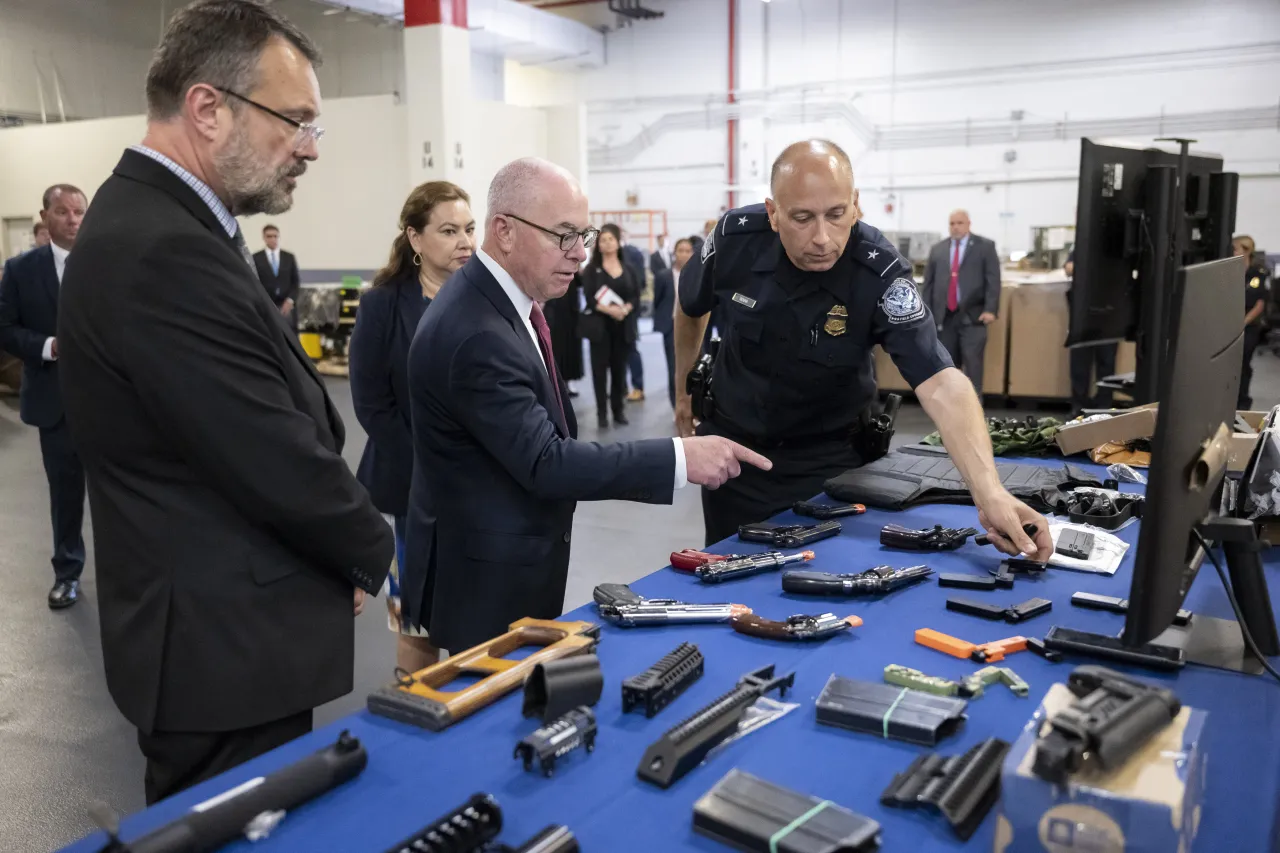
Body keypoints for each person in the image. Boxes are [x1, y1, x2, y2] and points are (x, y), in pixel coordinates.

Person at [56, 0, 393, 805]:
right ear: (208, 109)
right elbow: (266, 447)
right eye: (296, 121)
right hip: (218, 651)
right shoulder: (161, 246)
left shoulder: (169, 222)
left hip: (228, 634)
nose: (308, 148)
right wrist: (371, 547)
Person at [402, 156, 771, 653]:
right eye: (562, 236)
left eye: (584, 235)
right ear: (505, 231)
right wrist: (683, 457)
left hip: (503, 562)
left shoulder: (500, 305)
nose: (579, 253)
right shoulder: (476, 331)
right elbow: (546, 461)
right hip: (485, 584)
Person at [674, 139, 1052, 561]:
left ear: (855, 204)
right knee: (727, 583)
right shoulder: (733, 240)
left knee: (834, 587)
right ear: (773, 213)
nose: (822, 238)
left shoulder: (879, 271)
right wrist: (682, 391)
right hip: (734, 461)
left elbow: (942, 382)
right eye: (802, 218)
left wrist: (990, 492)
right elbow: (689, 308)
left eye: (836, 215)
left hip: (832, 467)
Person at [349, 181, 474, 674]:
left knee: (472, 612)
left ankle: (469, 703)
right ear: (416, 239)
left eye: (469, 228)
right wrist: (428, 466)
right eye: (448, 230)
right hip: (411, 487)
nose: (465, 241)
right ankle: (414, 702)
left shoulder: (486, 299)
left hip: (479, 487)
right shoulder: (383, 304)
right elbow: (372, 403)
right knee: (414, 616)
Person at [0, 184, 89, 610]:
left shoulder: (106, 261)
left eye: (79, 212)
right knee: (66, 494)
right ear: (45, 216)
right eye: (63, 211)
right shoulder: (20, 270)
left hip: (111, 401)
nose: (73, 219)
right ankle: (67, 574)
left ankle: (133, 580)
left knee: (122, 495)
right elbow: (4, 329)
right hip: (56, 404)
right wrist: (49, 346)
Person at [921, 210, 1002, 390]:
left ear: (968, 224)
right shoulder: (938, 249)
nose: (955, 227)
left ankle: (974, 407)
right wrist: (926, 314)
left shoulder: (984, 247)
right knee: (947, 365)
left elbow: (993, 280)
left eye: (959, 223)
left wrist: (991, 309)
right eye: (952, 223)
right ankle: (951, 406)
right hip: (945, 318)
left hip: (973, 316)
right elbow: (928, 284)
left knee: (973, 363)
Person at [581, 223, 641, 428]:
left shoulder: (628, 269)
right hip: (600, 329)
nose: (606, 243)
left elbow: (635, 295)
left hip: (622, 328)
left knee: (619, 371)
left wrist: (626, 308)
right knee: (599, 373)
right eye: (602, 240)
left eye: (610, 239)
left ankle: (618, 410)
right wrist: (611, 311)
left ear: (618, 242)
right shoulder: (591, 270)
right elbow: (589, 298)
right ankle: (601, 414)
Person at [1064, 249, 1116, 414]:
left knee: (1106, 363)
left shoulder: (1116, 252)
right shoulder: (1084, 245)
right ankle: (1079, 404)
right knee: (1079, 363)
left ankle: (1103, 405)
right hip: (1082, 315)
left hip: (1110, 313)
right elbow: (1069, 268)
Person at [652, 237, 692, 408]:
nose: (683, 254)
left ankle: (692, 405)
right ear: (674, 253)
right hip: (671, 325)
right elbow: (658, 300)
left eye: (687, 251)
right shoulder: (663, 276)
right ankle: (676, 405)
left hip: (693, 326)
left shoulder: (698, 274)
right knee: (673, 368)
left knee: (692, 366)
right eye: (680, 250)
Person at [1236, 234, 1270, 409]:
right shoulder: (1230, 272)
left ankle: (1242, 403)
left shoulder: (1257, 274)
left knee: (1243, 363)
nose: (1233, 252)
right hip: (1230, 323)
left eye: (1236, 249)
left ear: (1246, 251)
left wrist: (1242, 322)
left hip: (1249, 326)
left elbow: (1258, 304)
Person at [542, 270, 585, 397]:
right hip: (553, 308)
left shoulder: (574, 265)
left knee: (571, 346)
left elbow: (580, 283)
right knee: (556, 346)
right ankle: (555, 383)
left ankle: (569, 380)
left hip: (571, 311)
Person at [253, 223, 300, 326]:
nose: (273, 239)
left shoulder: (288, 257)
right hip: (266, 305)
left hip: (286, 305)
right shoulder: (256, 258)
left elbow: (295, 282)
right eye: (269, 236)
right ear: (264, 238)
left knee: (289, 335)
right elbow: (254, 283)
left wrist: (290, 300)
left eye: (275, 236)